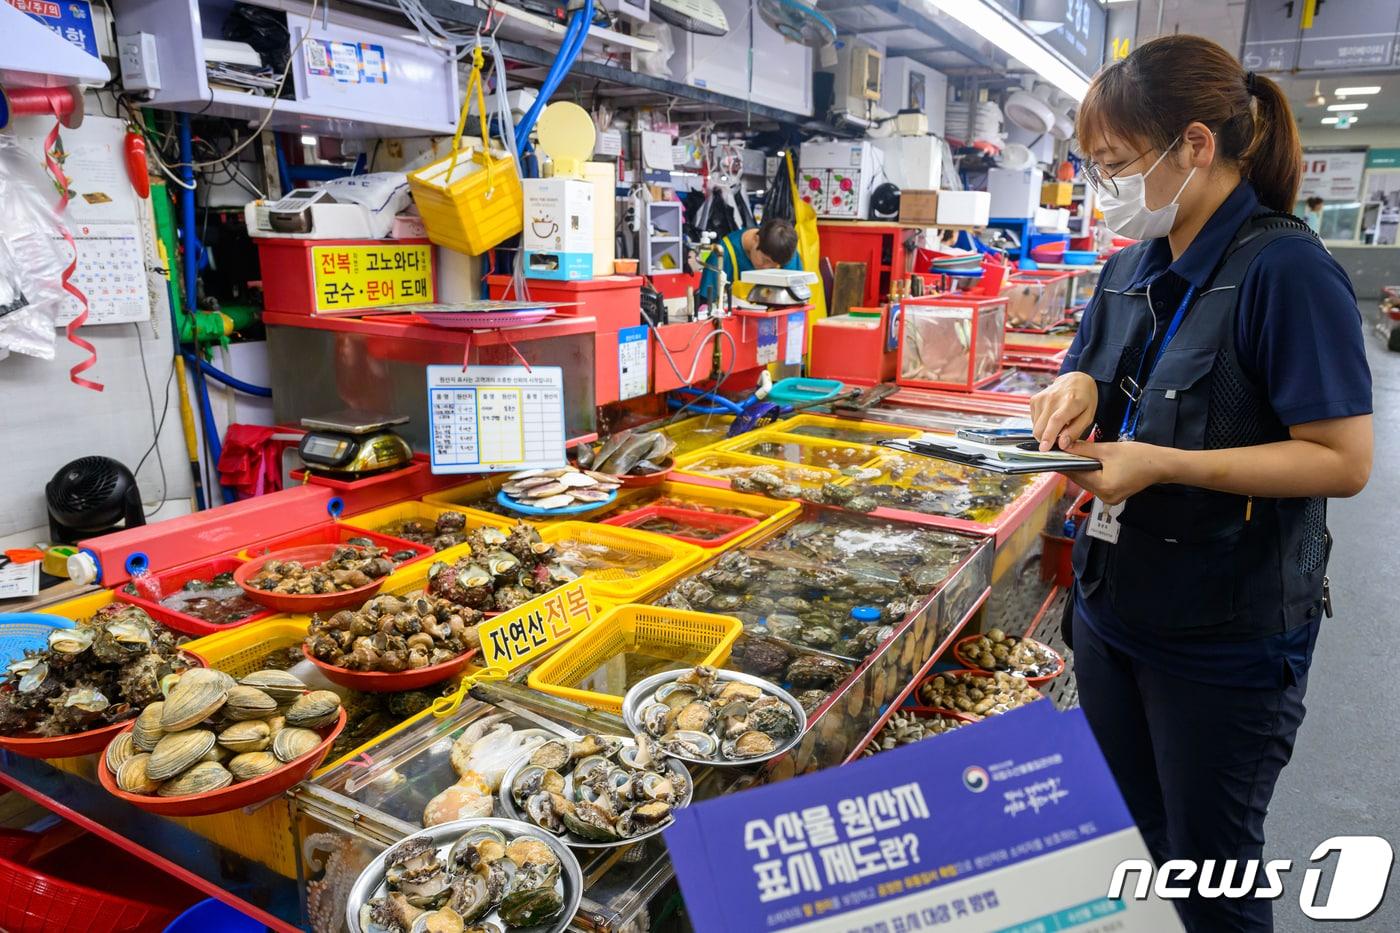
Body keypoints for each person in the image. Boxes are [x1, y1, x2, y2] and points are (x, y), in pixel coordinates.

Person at [1031, 35, 1373, 933]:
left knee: (1212, 865)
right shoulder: (1128, 267)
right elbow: (1102, 371)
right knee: (1135, 839)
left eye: (1114, 166)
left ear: (1193, 145)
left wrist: (1166, 465)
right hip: (1114, 613)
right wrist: (1079, 386)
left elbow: (1343, 459)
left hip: (1226, 636)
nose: (1103, 189)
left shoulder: (1286, 273)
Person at [697, 217, 800, 305]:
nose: (766, 268)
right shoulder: (723, 253)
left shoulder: (783, 250)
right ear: (756, 239)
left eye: (774, 267)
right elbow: (706, 303)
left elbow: (797, 297)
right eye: (765, 260)